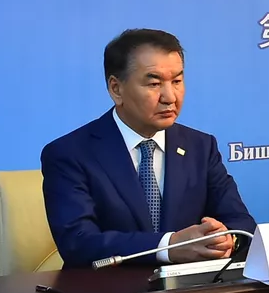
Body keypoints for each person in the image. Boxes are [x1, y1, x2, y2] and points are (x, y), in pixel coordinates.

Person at [41, 28, 257, 268]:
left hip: (192, 287)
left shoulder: (201, 146)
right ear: (116, 89)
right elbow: (78, 243)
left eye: (177, 81)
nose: (170, 97)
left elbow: (241, 223)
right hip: (109, 289)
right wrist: (169, 246)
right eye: (154, 83)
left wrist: (226, 239)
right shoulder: (70, 153)